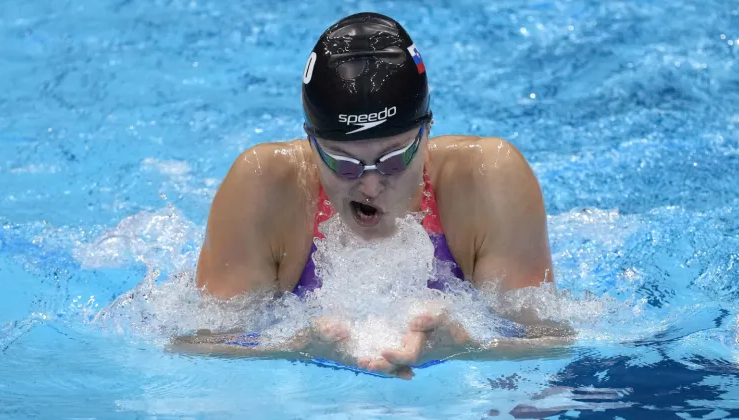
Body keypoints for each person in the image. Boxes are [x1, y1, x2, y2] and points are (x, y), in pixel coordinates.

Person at [188, 12, 563, 377]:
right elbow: (194, 346)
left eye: (395, 159)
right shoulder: (264, 186)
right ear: (312, 142)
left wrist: (462, 344)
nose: (370, 186)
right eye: (344, 164)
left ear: (427, 131)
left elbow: (550, 342)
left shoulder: (488, 178)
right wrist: (301, 347)